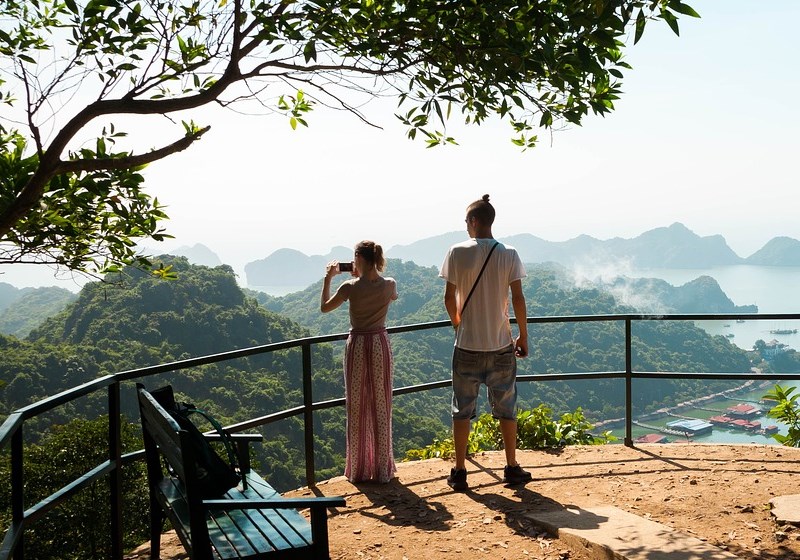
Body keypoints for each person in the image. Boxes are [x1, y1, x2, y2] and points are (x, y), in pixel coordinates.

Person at [439, 194, 532, 491]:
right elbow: (517, 298)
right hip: (501, 345)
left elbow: (448, 298)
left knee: (462, 410)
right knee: (507, 408)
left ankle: (460, 471)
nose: (465, 225)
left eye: (467, 220)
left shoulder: (456, 252)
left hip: (466, 346)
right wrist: (523, 336)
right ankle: (512, 467)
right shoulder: (510, 253)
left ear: (475, 221)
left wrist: (460, 326)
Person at [321, 240, 398, 483]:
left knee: (357, 405)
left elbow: (324, 308)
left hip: (357, 346)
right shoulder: (389, 285)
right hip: (379, 343)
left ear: (358, 258)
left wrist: (328, 278)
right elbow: (391, 295)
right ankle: (382, 470)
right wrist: (366, 273)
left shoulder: (349, 287)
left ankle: (359, 469)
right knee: (381, 403)